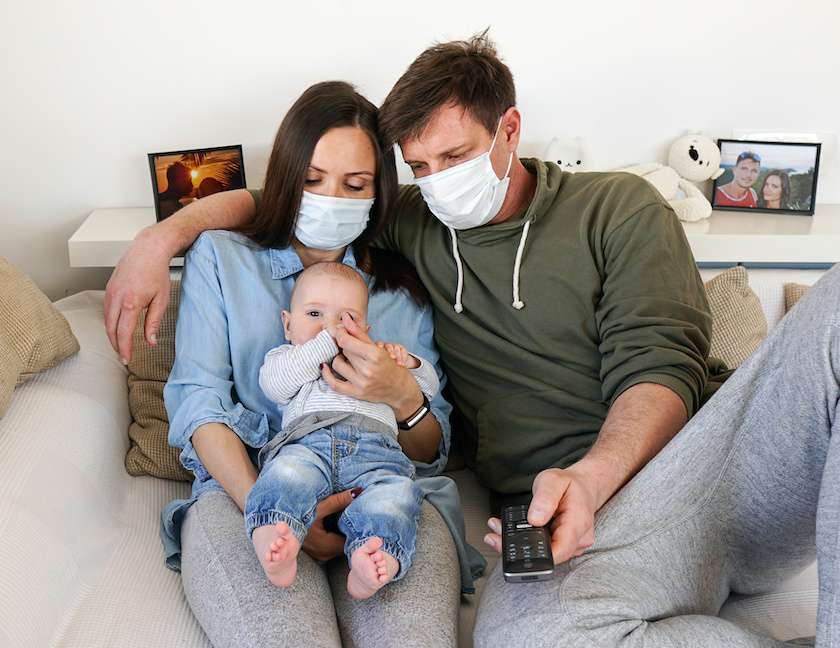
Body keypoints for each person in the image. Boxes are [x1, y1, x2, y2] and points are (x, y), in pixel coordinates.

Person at [106, 31, 831, 645]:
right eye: (419, 168)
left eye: (453, 158)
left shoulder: (613, 206)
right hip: (558, 514)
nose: (437, 182)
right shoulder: (408, 232)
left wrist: (581, 474)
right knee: (518, 637)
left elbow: (659, 360)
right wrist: (164, 234)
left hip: (705, 464)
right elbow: (286, 201)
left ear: (509, 131)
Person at [153, 80, 483, 648]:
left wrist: (403, 397)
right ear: (284, 177)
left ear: (379, 193)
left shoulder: (400, 290)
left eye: (355, 185)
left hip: (386, 494)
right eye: (311, 181)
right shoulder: (223, 258)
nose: (331, 198)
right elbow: (198, 404)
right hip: (252, 491)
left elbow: (434, 449)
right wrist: (276, 508)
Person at [249, 261, 440, 599]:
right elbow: (275, 386)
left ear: (365, 327)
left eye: (346, 319)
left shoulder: (375, 361)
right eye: (314, 315)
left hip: (377, 455)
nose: (330, 328)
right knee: (286, 473)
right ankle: (274, 530)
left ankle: (374, 557)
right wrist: (325, 344)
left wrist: (406, 363)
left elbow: (428, 389)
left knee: (395, 495)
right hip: (309, 446)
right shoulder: (287, 356)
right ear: (287, 324)